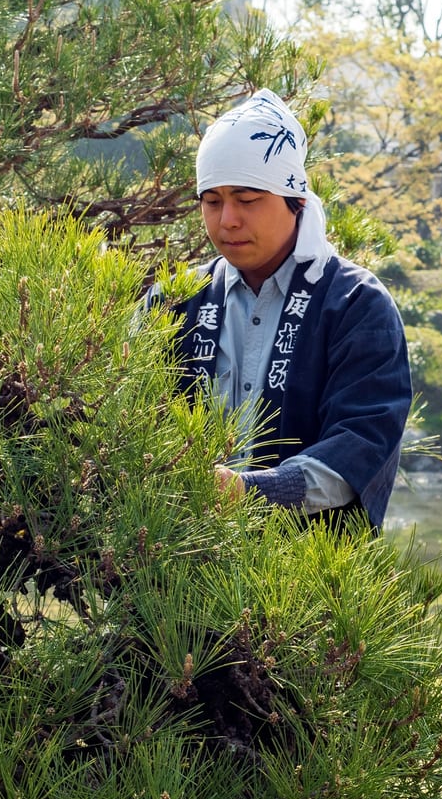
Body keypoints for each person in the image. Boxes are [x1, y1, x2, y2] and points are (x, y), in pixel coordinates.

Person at [163, 89, 411, 529]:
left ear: (295, 200)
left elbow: (362, 442)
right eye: (212, 200)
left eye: (248, 199)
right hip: (172, 565)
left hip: (302, 580)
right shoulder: (177, 299)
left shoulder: (356, 304)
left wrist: (252, 492)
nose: (227, 220)